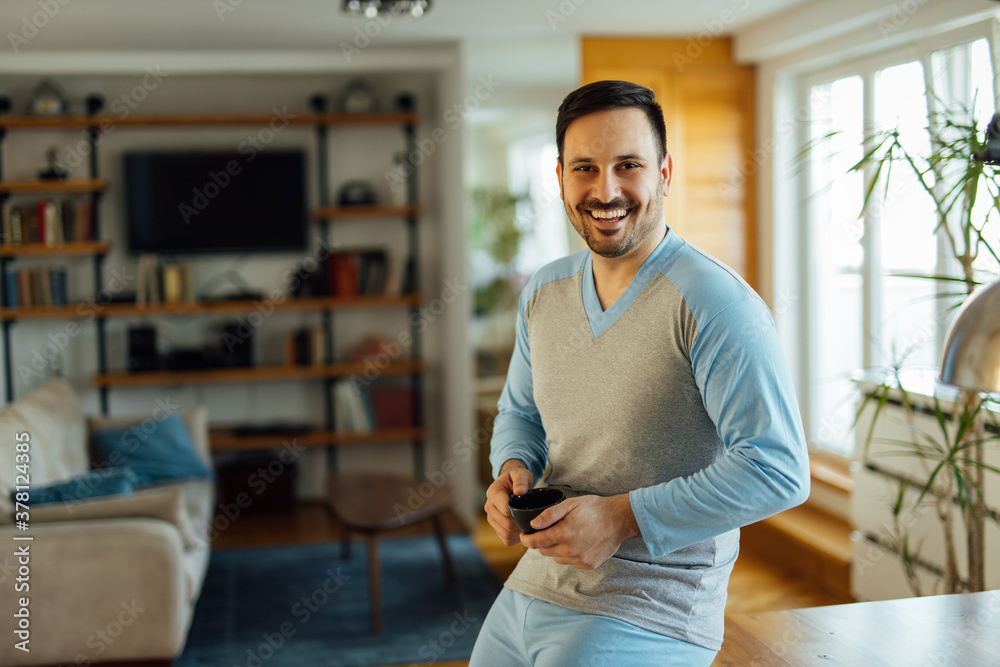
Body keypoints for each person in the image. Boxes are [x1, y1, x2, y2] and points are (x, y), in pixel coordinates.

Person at [468, 80, 810, 666]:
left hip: (655, 603)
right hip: (539, 579)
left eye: (629, 165)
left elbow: (778, 468)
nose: (606, 190)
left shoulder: (716, 305)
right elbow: (520, 413)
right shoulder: (544, 293)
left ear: (665, 173)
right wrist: (514, 467)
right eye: (585, 168)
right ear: (559, 179)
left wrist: (624, 517)